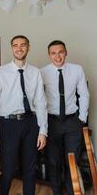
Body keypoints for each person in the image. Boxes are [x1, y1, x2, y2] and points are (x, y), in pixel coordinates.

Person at [0, 35, 47, 195]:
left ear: (28, 47)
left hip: (30, 123)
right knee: (7, 170)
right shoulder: (0, 72)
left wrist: (43, 131)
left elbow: (41, 102)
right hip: (7, 125)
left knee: (30, 168)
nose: (19, 48)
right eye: (15, 45)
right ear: (11, 48)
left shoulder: (35, 72)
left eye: (23, 45)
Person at [41, 40, 90, 195]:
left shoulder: (77, 70)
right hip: (51, 122)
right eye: (53, 53)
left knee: (72, 161)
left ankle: (70, 192)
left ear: (66, 52)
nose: (58, 56)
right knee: (53, 162)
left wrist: (81, 118)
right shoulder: (42, 72)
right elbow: (37, 98)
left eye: (60, 52)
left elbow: (84, 94)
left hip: (72, 122)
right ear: (49, 55)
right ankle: (56, 191)